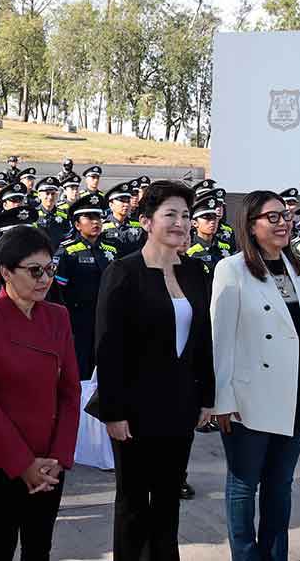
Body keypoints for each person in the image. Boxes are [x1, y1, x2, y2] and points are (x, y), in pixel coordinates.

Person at [94, 180, 214, 561]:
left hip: (179, 406)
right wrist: (113, 412)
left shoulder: (195, 271)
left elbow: (203, 341)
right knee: (132, 502)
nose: (180, 223)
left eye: (186, 215)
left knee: (167, 501)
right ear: (146, 221)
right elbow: (108, 347)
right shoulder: (123, 272)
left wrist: (207, 398)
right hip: (134, 410)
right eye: (170, 215)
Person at [211, 190, 300, 561]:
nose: (283, 223)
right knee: (244, 487)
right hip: (250, 399)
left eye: (285, 215)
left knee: (281, 486)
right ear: (250, 224)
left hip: (298, 396)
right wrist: (223, 400)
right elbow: (221, 338)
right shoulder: (231, 269)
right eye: (272, 217)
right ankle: (245, 555)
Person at [0, 226, 80, 561]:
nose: (45, 279)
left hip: (49, 458)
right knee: (0, 545)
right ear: (5, 272)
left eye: (49, 269)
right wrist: (23, 464)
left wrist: (58, 457)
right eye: (35, 271)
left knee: (39, 546)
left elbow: (70, 393)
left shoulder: (58, 317)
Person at [52, 193, 117, 380]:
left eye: (98, 217)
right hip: (76, 322)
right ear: (77, 224)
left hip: (104, 320)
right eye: (89, 218)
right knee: (78, 372)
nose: (95, 222)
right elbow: (58, 292)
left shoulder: (110, 251)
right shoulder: (67, 252)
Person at [188, 195, 233, 270]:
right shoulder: (189, 252)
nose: (212, 221)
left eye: (214, 217)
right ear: (195, 223)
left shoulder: (226, 247)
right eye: (207, 218)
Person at [103, 182, 145, 258]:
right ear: (111, 205)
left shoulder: (138, 224)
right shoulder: (102, 227)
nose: (126, 204)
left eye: (128, 201)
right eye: (122, 200)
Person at [34, 176, 70, 249]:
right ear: (39, 195)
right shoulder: (33, 215)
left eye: (53, 194)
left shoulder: (64, 214)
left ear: (57, 195)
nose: (50, 197)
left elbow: (68, 237)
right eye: (47, 193)